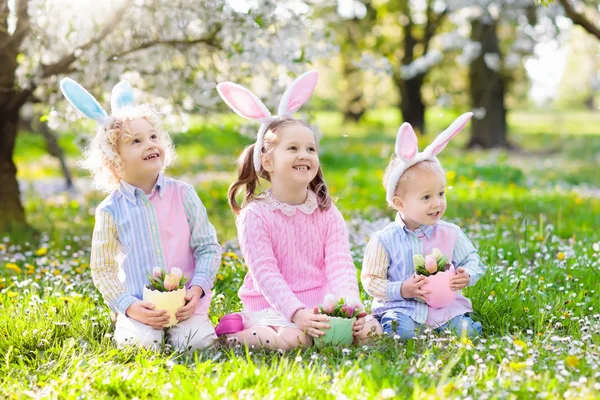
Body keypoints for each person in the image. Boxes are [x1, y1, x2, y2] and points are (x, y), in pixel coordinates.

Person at [215, 70, 381, 350]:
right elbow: (266, 275)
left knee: (371, 331)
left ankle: (333, 325)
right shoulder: (255, 215)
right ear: (267, 161)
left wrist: (351, 308)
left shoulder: (326, 211)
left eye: (311, 149)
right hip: (276, 305)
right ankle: (236, 335)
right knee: (297, 339)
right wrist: (297, 314)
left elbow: (339, 264)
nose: (304, 155)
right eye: (292, 148)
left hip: (321, 303)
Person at [60, 78, 221, 350]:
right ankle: (132, 325)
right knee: (141, 346)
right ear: (114, 160)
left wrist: (197, 289)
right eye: (136, 141)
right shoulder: (110, 210)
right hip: (140, 305)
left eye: (153, 137)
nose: (150, 144)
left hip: (185, 304)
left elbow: (207, 247)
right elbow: (102, 268)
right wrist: (130, 306)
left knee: (198, 344)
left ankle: (187, 328)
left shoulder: (184, 195)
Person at [361, 113, 485, 339]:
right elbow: (371, 280)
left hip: (445, 309)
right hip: (403, 308)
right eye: (426, 197)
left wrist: (467, 274)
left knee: (466, 333)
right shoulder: (384, 239)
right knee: (402, 333)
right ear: (400, 204)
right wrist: (401, 289)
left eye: (440, 193)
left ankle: (458, 328)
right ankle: (388, 329)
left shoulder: (450, 233)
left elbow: (472, 260)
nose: (437, 203)